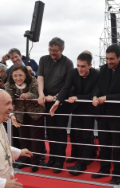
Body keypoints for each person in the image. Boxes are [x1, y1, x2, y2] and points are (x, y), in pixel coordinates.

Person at [50, 52, 99, 176]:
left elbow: (93, 94)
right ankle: (80, 157)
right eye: (78, 65)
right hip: (76, 108)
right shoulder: (73, 72)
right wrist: (58, 101)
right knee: (76, 134)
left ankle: (83, 163)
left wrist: (77, 97)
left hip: (89, 108)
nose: (79, 69)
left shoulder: (97, 75)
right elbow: (66, 87)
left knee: (86, 135)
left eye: (83, 66)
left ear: (90, 65)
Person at [91, 44, 120, 185]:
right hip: (103, 114)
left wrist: (106, 98)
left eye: (112, 59)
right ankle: (104, 169)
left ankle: (117, 174)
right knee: (103, 144)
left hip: (118, 115)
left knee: (117, 146)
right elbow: (98, 87)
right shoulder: (103, 69)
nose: (109, 61)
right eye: (107, 58)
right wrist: (95, 96)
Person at [37, 37, 74, 173]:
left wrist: (56, 97)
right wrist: (41, 94)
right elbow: (40, 78)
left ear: (62, 50)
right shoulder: (43, 59)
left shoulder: (68, 63)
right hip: (46, 101)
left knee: (60, 131)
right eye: (50, 50)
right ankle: (52, 158)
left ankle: (59, 160)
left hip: (61, 103)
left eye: (55, 51)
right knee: (50, 131)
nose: (52, 53)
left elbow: (68, 84)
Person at [5, 65, 45, 173]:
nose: (18, 78)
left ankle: (35, 162)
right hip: (20, 115)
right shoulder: (9, 84)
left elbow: (37, 93)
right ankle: (24, 160)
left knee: (36, 139)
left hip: (35, 113)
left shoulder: (33, 80)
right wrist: (12, 115)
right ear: (11, 76)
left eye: (20, 75)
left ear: (25, 75)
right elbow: (9, 100)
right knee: (23, 138)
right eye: (15, 76)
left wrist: (29, 95)